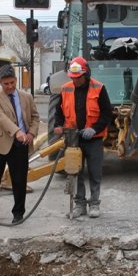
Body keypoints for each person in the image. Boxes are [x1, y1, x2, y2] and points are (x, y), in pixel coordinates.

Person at [53, 57, 113, 219]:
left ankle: (94, 203)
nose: (75, 80)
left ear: (86, 74)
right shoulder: (66, 89)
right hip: (73, 138)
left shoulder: (99, 88)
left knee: (95, 172)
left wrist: (94, 129)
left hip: (93, 139)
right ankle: (80, 204)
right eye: (72, 77)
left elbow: (107, 113)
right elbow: (58, 112)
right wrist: (58, 125)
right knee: (75, 172)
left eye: (78, 77)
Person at [0, 64, 40, 226]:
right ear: (0, 83)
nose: (9, 86)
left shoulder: (26, 97)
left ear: (16, 80)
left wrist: (31, 133)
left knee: (19, 180)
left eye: (12, 83)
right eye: (6, 84)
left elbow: (35, 117)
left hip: (20, 145)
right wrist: (17, 132)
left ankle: (18, 212)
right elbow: (1, 118)